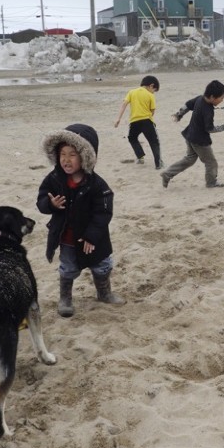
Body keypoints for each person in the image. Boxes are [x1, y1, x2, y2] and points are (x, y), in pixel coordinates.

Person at [37, 123, 125, 318]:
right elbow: (41, 201)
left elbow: (103, 213)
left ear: (85, 157)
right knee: (67, 268)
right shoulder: (54, 179)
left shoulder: (97, 184)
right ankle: (65, 298)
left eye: (72, 155)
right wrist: (50, 205)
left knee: (102, 265)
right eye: (62, 154)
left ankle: (104, 293)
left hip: (94, 239)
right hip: (67, 238)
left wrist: (92, 236)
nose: (66, 160)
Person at [160, 80, 224, 189]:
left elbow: (187, 105)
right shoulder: (208, 110)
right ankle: (211, 183)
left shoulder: (200, 98)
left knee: (189, 159)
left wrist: (179, 114)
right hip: (200, 141)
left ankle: (167, 173)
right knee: (211, 162)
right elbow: (210, 129)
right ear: (212, 97)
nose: (222, 100)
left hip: (190, 135)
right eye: (221, 98)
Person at [115, 75, 163, 169]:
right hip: (147, 121)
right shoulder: (150, 95)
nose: (154, 92)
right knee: (154, 142)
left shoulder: (131, 92)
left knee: (132, 138)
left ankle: (140, 157)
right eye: (154, 90)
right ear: (151, 85)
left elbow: (124, 104)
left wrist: (118, 118)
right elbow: (152, 111)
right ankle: (158, 164)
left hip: (134, 122)